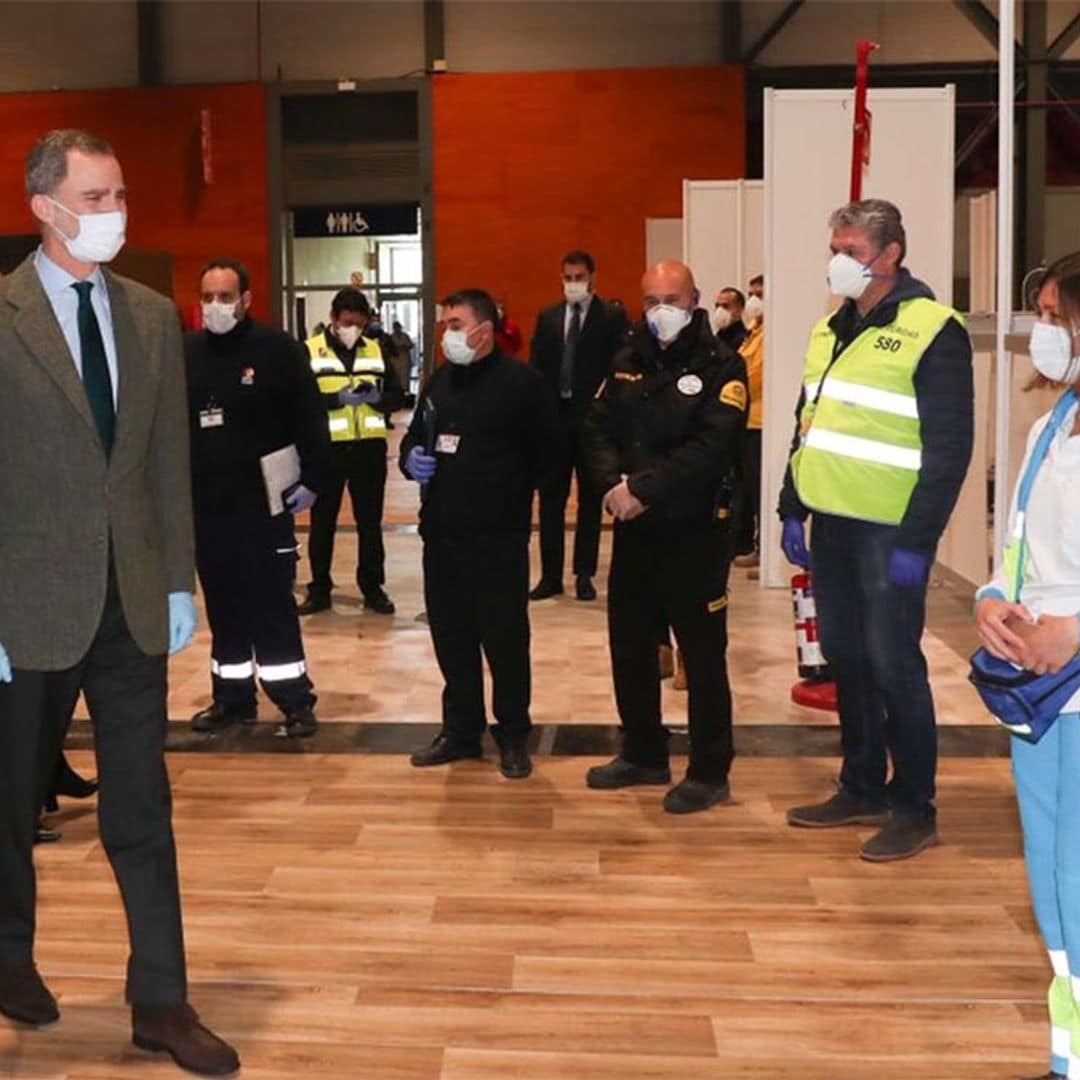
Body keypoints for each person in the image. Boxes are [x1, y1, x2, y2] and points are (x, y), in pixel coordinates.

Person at [0, 129, 237, 1074]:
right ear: (45, 208)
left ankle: (161, 999)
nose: (114, 212)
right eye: (96, 197)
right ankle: (9, 956)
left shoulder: (147, 314)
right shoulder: (4, 315)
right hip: (27, 608)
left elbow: (164, 463)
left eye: (120, 193)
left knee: (141, 805)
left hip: (132, 601)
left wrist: (178, 577)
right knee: (12, 803)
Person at [780, 198, 974, 861]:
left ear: (890, 255)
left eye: (852, 251)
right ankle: (860, 784)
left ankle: (914, 806)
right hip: (830, 524)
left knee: (896, 668)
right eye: (835, 248)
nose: (839, 262)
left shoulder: (932, 329)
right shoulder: (830, 328)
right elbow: (807, 424)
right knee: (850, 662)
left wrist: (918, 544)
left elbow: (949, 450)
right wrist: (789, 505)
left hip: (889, 532)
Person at [583, 260, 748, 814]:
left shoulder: (722, 363)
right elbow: (598, 426)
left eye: (671, 299)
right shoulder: (629, 356)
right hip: (635, 528)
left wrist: (643, 489)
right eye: (651, 299)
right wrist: (612, 485)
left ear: (694, 298)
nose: (660, 311)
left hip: (695, 531)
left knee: (701, 656)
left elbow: (710, 448)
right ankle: (643, 752)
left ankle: (709, 769)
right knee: (630, 646)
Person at [975, 254, 1080, 1080]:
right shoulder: (1052, 426)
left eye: (1054, 313)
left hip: (1073, 666)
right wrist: (991, 599)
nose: (1043, 331)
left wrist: (1073, 633)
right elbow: (1016, 542)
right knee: (1053, 880)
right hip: (1038, 689)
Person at [402, 289, 558, 780]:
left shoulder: (523, 385)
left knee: (505, 642)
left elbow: (552, 457)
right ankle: (461, 731)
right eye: (444, 324)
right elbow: (413, 436)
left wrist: (510, 490)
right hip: (442, 536)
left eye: (454, 323)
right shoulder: (439, 382)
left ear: (483, 331)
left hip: (497, 539)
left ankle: (513, 734)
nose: (447, 333)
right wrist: (411, 459)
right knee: (452, 638)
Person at [185, 259, 331, 739]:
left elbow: (311, 418)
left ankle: (294, 700)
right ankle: (231, 699)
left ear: (246, 300)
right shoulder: (186, 353)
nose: (215, 306)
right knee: (223, 606)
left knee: (271, 605)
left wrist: (313, 477)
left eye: (225, 297)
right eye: (207, 296)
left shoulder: (277, 351)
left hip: (265, 505)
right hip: (208, 507)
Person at [529, 250, 629, 602]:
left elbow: (621, 367)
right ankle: (550, 575)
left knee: (590, 500)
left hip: (593, 423)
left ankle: (584, 574)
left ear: (592, 277)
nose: (574, 283)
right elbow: (537, 367)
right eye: (568, 277)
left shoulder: (611, 316)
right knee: (550, 501)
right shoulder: (549, 317)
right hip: (556, 421)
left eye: (579, 277)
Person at [298, 287, 404, 616]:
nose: (352, 330)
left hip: (369, 450)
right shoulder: (310, 351)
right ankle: (319, 588)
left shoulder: (375, 349)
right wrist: (336, 401)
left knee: (370, 523)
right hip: (328, 450)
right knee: (323, 522)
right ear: (333, 319)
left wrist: (377, 399)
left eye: (359, 324)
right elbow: (299, 402)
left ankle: (372, 586)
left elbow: (398, 396)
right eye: (347, 323)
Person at [733, 293, 766, 572]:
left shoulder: (768, 334)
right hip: (746, 421)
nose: (757, 300)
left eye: (762, 294)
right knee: (747, 488)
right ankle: (753, 546)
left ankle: (762, 549)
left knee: (758, 488)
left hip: (759, 420)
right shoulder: (753, 331)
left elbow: (752, 376)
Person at [711, 286, 748, 353]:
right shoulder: (717, 337)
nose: (720, 310)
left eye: (725, 306)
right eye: (717, 306)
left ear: (740, 309)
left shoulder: (745, 341)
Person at [390, 319, 415, 402]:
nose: (397, 329)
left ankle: (406, 396)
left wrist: (405, 347)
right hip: (395, 361)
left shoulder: (405, 336)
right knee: (397, 378)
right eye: (395, 328)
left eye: (398, 327)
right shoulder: (391, 337)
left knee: (405, 378)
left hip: (405, 359)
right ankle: (398, 395)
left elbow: (411, 345)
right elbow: (389, 349)